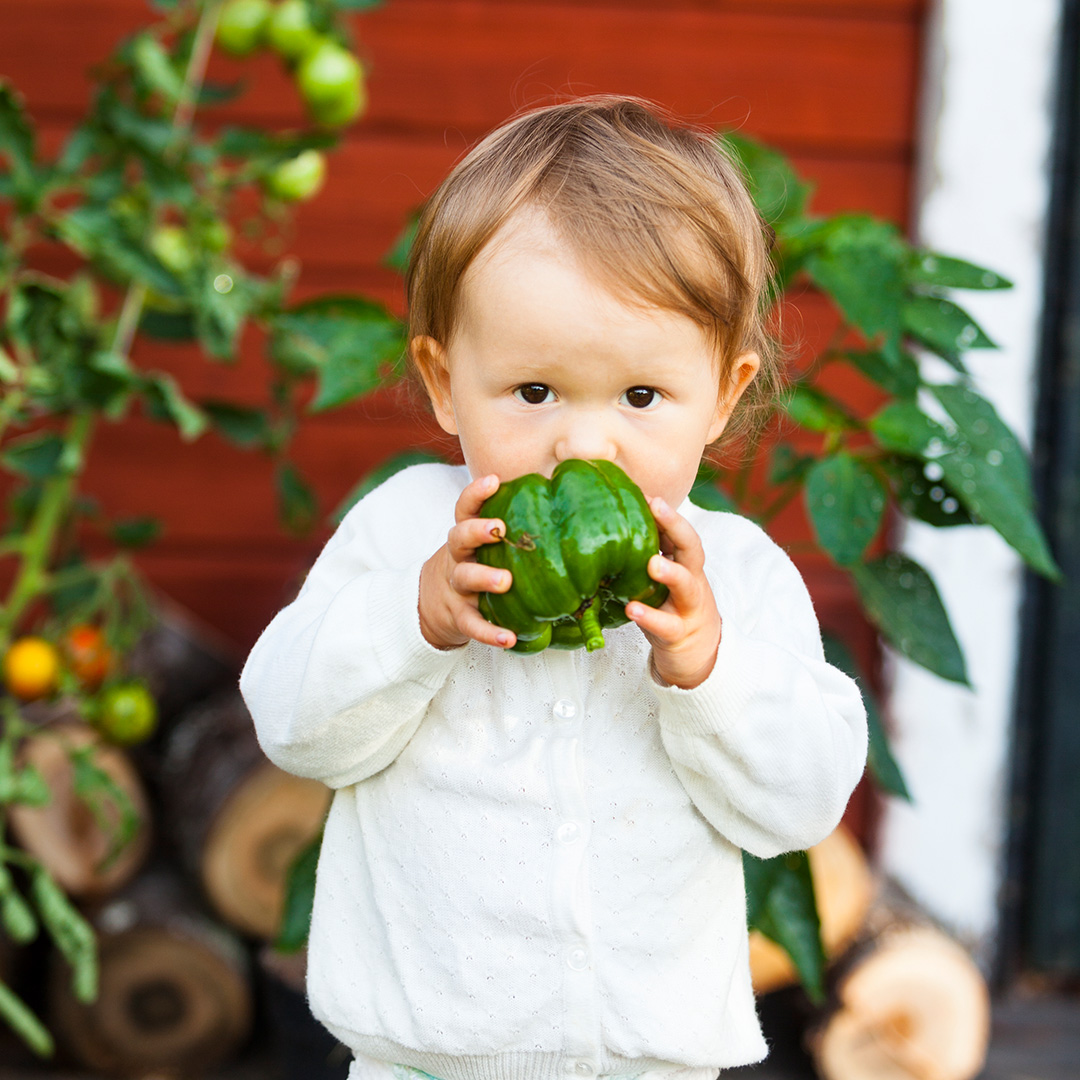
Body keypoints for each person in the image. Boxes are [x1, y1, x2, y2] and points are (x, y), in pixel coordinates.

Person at [240, 96, 868, 1080]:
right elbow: (291, 723)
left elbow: (801, 804)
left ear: (725, 393)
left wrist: (711, 669)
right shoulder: (411, 532)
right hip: (426, 1060)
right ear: (444, 380)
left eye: (642, 396)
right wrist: (416, 621)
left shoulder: (735, 576)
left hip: (651, 1066)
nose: (583, 441)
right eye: (534, 392)